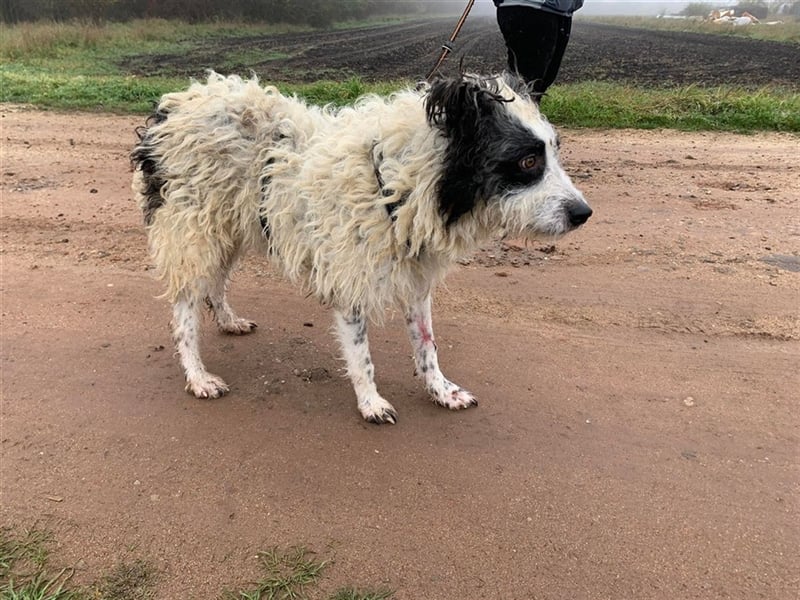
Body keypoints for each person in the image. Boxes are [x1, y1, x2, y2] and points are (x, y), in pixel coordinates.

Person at [494, 0, 584, 101]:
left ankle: (523, 113)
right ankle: (511, 114)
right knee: (525, 83)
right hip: (531, 7)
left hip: (560, 9)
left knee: (539, 82)